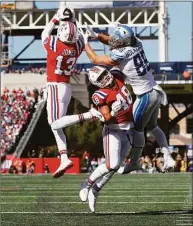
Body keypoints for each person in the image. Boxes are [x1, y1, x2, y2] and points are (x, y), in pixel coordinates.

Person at [79, 23, 175, 173]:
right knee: (153, 126)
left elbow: (95, 60)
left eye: (116, 40)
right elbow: (113, 40)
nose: (113, 41)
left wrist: (85, 42)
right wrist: (96, 36)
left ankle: (135, 161)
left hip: (145, 96)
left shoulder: (121, 54)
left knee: (138, 130)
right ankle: (168, 156)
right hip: (156, 90)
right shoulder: (136, 42)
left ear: (122, 41)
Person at [51, 66, 133, 213]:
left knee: (116, 167)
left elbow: (117, 61)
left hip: (129, 128)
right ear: (97, 83)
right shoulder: (100, 94)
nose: (104, 78)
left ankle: (96, 189)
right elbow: (107, 119)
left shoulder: (117, 75)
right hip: (113, 130)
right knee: (113, 164)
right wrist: (114, 110)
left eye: (103, 74)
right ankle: (87, 184)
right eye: (100, 78)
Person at [41, 6, 84, 178]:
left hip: (54, 86)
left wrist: (55, 19)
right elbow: (78, 35)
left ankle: (86, 116)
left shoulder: (54, 45)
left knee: (54, 123)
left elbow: (44, 33)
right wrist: (72, 20)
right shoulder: (77, 47)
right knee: (57, 124)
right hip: (66, 87)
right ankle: (64, 157)